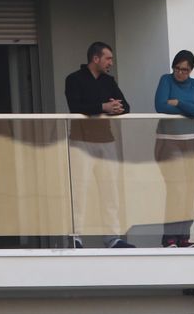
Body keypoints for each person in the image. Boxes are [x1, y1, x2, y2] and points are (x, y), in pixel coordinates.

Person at [64, 41, 133, 248]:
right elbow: (75, 106)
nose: (111, 62)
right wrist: (103, 106)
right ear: (95, 58)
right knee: (79, 190)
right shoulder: (74, 79)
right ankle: (75, 237)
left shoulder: (108, 81)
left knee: (110, 190)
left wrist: (115, 108)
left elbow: (126, 106)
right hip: (80, 141)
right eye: (108, 58)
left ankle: (112, 238)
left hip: (106, 140)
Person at [153, 49, 194, 248]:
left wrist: (179, 102)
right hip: (169, 141)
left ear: (191, 70)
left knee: (190, 189)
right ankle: (170, 237)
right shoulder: (166, 80)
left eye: (185, 70)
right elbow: (160, 106)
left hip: (192, 141)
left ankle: (184, 236)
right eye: (177, 68)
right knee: (176, 189)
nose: (180, 73)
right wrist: (188, 108)